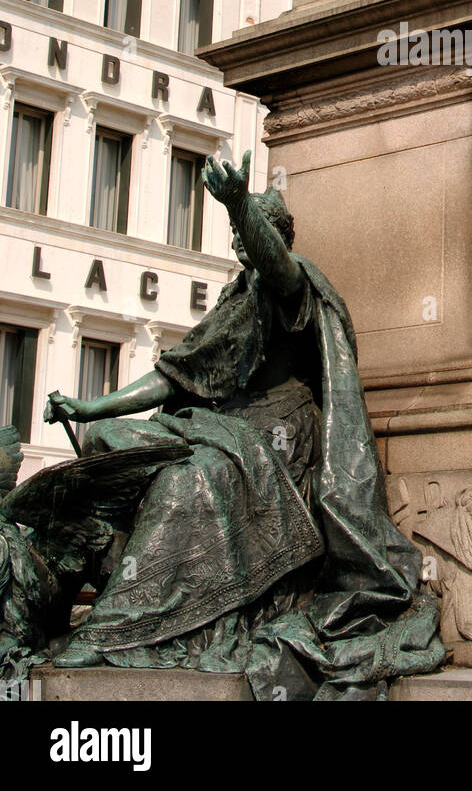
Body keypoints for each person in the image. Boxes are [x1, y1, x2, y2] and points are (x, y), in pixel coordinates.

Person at [42, 152, 443, 699]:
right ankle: (60, 594)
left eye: (247, 230)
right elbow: (179, 376)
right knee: (109, 445)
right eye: (236, 227)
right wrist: (91, 408)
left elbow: (279, 267)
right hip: (228, 427)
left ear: (271, 237)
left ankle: (127, 626)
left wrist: (238, 207)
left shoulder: (294, 285)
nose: (237, 238)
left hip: (280, 438)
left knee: (190, 480)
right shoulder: (235, 299)